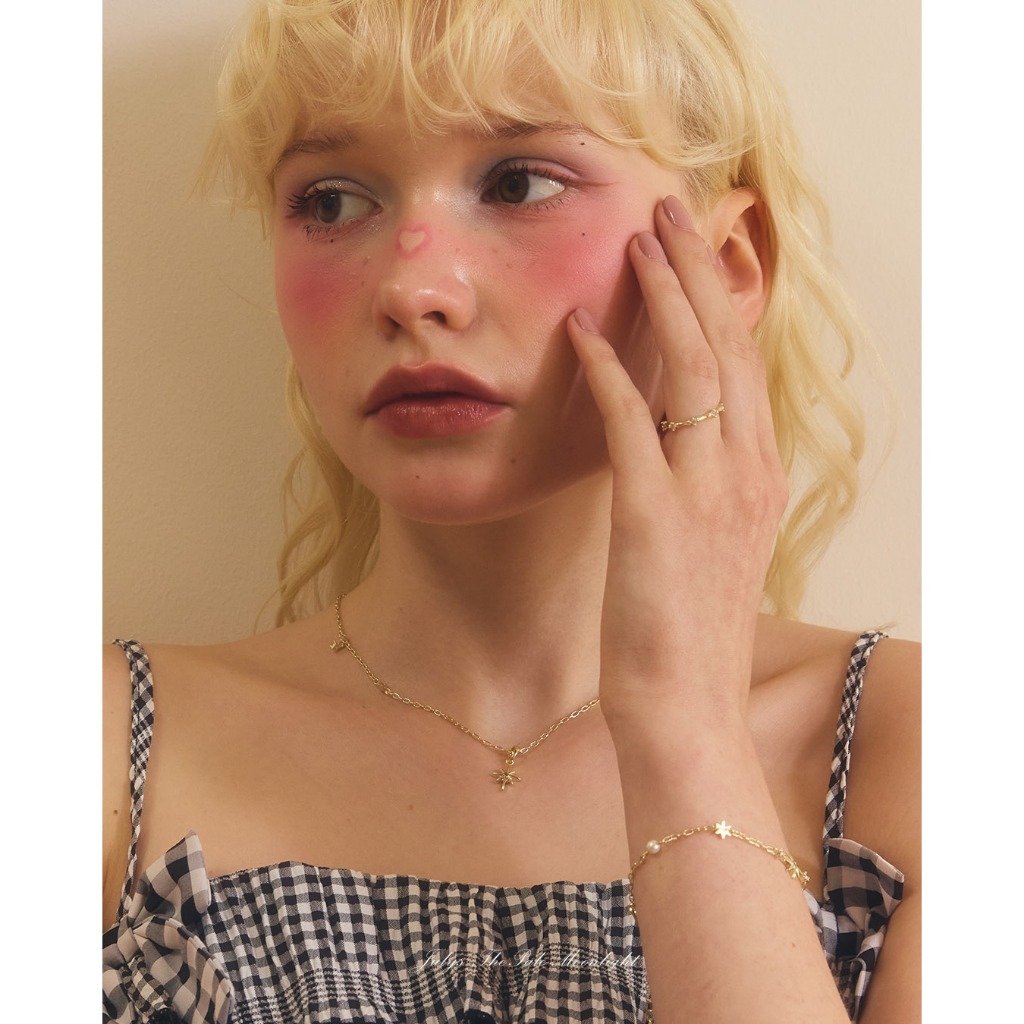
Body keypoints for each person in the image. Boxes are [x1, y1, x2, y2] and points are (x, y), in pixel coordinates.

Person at [102, 0, 921, 1020]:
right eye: (333, 200)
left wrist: (685, 729)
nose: (412, 289)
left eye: (519, 183)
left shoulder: (919, 746)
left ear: (724, 265)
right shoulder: (100, 750)